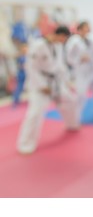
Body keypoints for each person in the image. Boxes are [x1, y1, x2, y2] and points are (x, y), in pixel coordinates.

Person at [16, 26, 80, 154]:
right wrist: (41, 85)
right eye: (64, 38)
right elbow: (30, 67)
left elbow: (60, 66)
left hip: (56, 82)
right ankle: (25, 144)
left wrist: (67, 82)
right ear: (58, 35)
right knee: (35, 113)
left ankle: (71, 124)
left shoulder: (58, 46)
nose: (64, 41)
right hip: (40, 83)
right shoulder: (38, 45)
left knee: (70, 100)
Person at [65, 21, 93, 119]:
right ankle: (76, 118)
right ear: (80, 29)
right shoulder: (74, 41)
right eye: (86, 27)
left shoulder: (91, 40)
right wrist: (79, 59)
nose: (89, 29)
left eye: (89, 27)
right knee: (81, 95)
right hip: (82, 72)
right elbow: (69, 58)